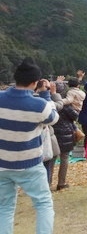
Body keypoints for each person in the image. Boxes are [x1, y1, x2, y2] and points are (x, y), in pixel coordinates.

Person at [0, 57, 59, 233]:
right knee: (43, 204)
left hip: (2, 164)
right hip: (30, 164)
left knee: (4, 208)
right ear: (34, 83)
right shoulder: (39, 105)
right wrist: (46, 94)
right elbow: (53, 118)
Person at [53, 97, 80, 191]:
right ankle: (61, 183)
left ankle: (47, 183)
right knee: (64, 158)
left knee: (51, 159)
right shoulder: (66, 106)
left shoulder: (49, 103)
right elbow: (75, 116)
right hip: (66, 133)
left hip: (52, 134)